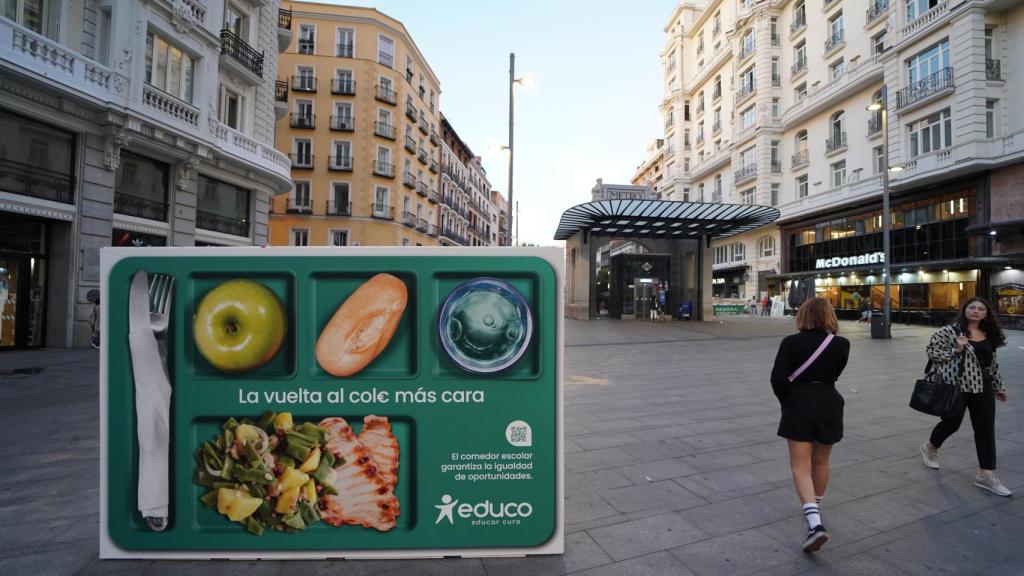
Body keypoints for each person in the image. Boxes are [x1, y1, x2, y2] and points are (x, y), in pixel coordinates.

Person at [770, 298, 850, 552]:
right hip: (830, 401)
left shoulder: (791, 342)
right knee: (822, 460)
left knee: (800, 465)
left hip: (800, 402)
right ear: (830, 315)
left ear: (802, 315)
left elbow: (777, 379)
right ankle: (815, 508)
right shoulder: (841, 344)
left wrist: (790, 400)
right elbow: (835, 374)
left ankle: (814, 523)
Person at [919, 297, 1010, 496]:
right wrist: (956, 348)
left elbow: (992, 364)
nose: (976, 311)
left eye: (980, 309)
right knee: (952, 423)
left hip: (982, 386)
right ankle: (930, 446)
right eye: (972, 308)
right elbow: (932, 353)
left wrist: (998, 387)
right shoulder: (949, 331)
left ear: (986, 313)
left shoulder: (989, 333)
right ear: (965, 310)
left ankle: (986, 474)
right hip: (956, 385)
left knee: (985, 428)